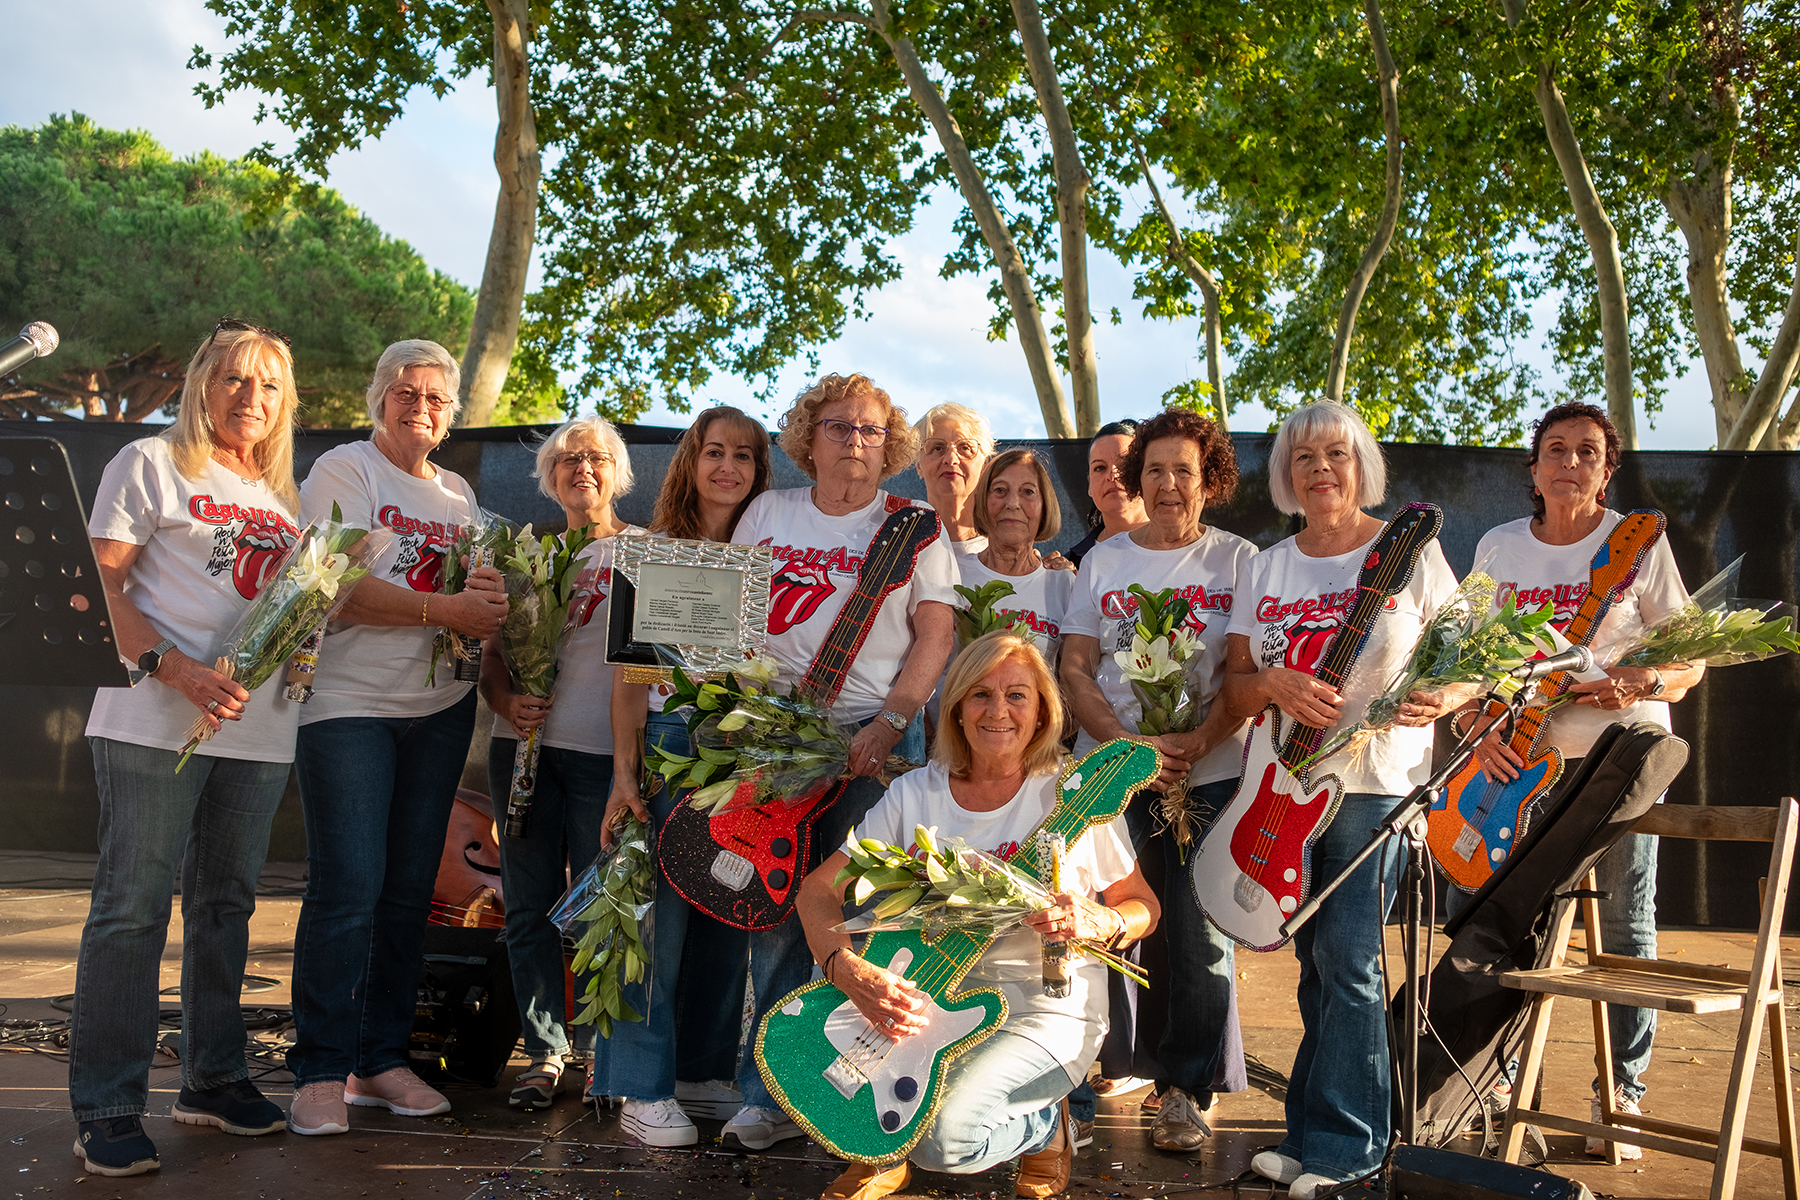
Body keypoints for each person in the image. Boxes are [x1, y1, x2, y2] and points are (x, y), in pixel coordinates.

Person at [795, 631, 1161, 1200]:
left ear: (1042, 711)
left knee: (946, 1140)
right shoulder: (916, 793)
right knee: (825, 1089)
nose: (999, 711)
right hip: (928, 994)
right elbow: (818, 891)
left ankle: (1047, 1129)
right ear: (957, 710)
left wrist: (1102, 922)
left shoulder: (1073, 794)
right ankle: (886, 1150)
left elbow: (1144, 907)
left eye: (1018, 695)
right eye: (980, 695)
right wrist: (845, 969)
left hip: (1041, 1008)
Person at [71, 321, 304, 1175]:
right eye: (235, 379)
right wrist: (171, 668)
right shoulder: (150, 463)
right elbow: (100, 584)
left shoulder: (289, 500)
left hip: (259, 726)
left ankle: (211, 1078)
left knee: (225, 905)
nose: (252, 398)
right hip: (151, 716)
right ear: (202, 384)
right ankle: (107, 1103)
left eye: (270, 386)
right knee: (132, 907)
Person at [1220, 400, 1459, 1199]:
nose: (1320, 469)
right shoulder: (1267, 564)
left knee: (1350, 958)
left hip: (1375, 783)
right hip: (1284, 785)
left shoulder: (1411, 552)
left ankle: (1354, 1145)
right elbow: (1237, 683)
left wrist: (1445, 695)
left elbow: (1472, 656)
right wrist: (1272, 684)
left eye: (1336, 454)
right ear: (1287, 476)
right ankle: (1310, 1133)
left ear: (1362, 465)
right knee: (1312, 967)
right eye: (1303, 458)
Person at [1458, 401, 1701, 1158]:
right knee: (1512, 919)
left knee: (1626, 928)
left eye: (1587, 451)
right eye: (1554, 450)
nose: (1570, 462)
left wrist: (1638, 680)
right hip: (1523, 766)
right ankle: (1495, 1082)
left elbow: (1690, 666)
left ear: (1608, 467)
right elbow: (1460, 665)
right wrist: (1474, 730)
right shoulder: (1498, 547)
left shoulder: (1639, 545)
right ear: (1532, 470)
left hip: (1623, 764)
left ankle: (1621, 1094)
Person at [724, 372, 958, 1151]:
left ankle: (854, 1086)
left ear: (888, 446)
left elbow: (934, 636)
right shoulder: (769, 510)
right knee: (773, 913)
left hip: (871, 738)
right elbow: (734, 620)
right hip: (774, 735)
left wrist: (892, 722)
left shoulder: (917, 524)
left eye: (869, 430)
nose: (854, 441)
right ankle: (768, 1092)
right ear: (807, 437)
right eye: (838, 427)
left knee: (866, 915)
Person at [286, 340, 510, 1137]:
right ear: (379, 399)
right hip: (346, 704)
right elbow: (334, 588)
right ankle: (319, 1069)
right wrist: (445, 611)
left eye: (436, 399)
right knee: (347, 886)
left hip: (440, 711)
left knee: (409, 893)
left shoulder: (458, 495)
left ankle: (379, 1061)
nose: (420, 407)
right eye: (405, 394)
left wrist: (489, 597)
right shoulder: (346, 472)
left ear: (451, 417)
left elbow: (476, 610)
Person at [1058, 407, 1258, 1151]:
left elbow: (1244, 675)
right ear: (1134, 480)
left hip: (1205, 773)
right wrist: (1126, 745)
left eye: (1185, 470)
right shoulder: (1104, 560)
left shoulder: (1240, 560)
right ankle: (1079, 1079)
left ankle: (1185, 1090)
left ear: (1210, 480)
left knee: (1199, 933)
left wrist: (1197, 740)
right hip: (1111, 769)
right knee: (1094, 925)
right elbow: (1075, 668)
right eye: (1154, 470)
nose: (1168, 484)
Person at [595, 405, 770, 1145]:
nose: (728, 467)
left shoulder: (774, 556)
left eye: (743, 456)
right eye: (713, 453)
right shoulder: (653, 552)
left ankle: (699, 1071)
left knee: (728, 916)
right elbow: (632, 680)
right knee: (655, 925)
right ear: (689, 464)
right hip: (669, 743)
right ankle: (639, 1087)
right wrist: (623, 774)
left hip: (749, 752)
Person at [481, 416, 638, 1110]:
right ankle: (545, 1054)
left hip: (608, 762)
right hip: (523, 758)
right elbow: (488, 662)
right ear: (549, 478)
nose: (583, 468)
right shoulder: (522, 557)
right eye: (569, 459)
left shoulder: (646, 555)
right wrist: (507, 699)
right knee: (528, 910)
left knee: (606, 911)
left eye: (597, 458)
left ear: (618, 473)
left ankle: (609, 1060)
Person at [960, 448, 1074, 669]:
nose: (1012, 503)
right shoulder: (953, 573)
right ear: (983, 501)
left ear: (1045, 506)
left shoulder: (1064, 584)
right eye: (1000, 490)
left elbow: (1072, 674)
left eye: (1028, 492)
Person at [913, 402, 994, 565]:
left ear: (985, 466)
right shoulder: (898, 548)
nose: (951, 459)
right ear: (919, 466)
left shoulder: (1008, 553)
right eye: (937, 448)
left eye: (965, 448)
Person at [1066, 419, 1146, 568]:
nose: (1112, 475)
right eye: (1100, 468)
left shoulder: (1186, 550)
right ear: (1090, 485)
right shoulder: (1070, 566)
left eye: (1124, 464)